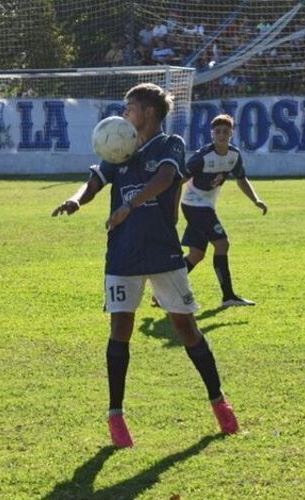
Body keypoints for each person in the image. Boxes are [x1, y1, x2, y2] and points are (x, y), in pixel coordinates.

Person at [52, 83, 238, 448]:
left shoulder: (171, 144)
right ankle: (116, 416)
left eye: (130, 107)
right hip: (122, 253)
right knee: (120, 327)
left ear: (148, 112)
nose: (125, 113)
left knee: (186, 328)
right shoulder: (119, 145)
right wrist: (76, 200)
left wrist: (129, 205)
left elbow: (165, 179)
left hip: (163, 252)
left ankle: (219, 402)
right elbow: (94, 181)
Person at [180, 114, 268, 307]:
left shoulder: (234, 155)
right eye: (218, 131)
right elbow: (179, 179)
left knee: (196, 254)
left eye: (225, 131)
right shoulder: (202, 157)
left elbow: (241, 179)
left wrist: (256, 200)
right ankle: (228, 297)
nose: (221, 135)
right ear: (212, 134)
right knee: (222, 244)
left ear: (232, 133)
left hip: (205, 206)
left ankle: (164, 291)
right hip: (195, 205)